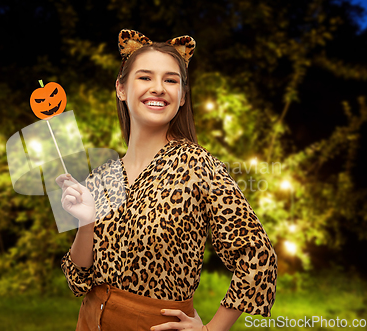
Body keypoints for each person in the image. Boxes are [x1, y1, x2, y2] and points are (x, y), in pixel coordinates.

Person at [57, 29, 277, 331]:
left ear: (182, 96)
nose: (158, 88)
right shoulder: (102, 176)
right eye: (145, 77)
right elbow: (78, 282)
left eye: (170, 80)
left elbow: (258, 255)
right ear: (121, 89)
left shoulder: (198, 166)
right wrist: (86, 223)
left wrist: (212, 329)